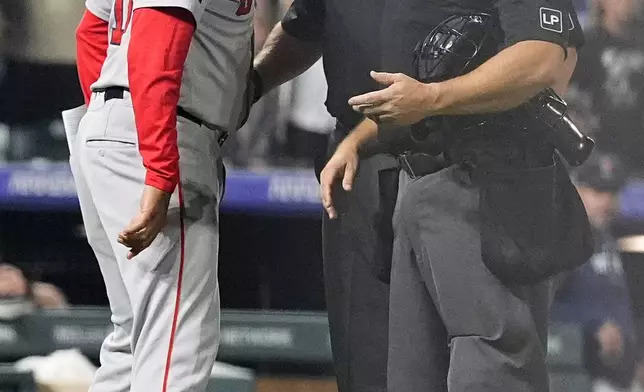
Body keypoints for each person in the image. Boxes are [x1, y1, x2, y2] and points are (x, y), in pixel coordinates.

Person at [320, 1, 593, 391]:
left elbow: (543, 61)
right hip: (416, 184)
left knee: (490, 371)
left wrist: (430, 100)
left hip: (486, 184)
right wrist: (359, 140)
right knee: (409, 376)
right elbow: (427, 74)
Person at [67, 1, 253, 391]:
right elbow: (158, 33)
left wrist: (107, 130)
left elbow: (93, 32)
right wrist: (159, 167)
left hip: (117, 127)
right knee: (176, 348)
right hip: (159, 133)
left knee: (134, 338)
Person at [252, 0, 413, 390]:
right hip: (360, 157)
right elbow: (305, 26)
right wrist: (248, 89)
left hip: (452, 148)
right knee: (364, 350)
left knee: (448, 345)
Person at [552, 152, 636, 392]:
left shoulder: (606, 238)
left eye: (613, 193)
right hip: (572, 374)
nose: (607, 202)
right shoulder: (562, 240)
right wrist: (592, 325)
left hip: (614, 377)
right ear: (577, 188)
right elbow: (540, 308)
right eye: (598, 192)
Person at [569, 0, 644, 174]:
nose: (626, 4)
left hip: (639, 146)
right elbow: (566, 93)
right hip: (600, 148)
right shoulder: (586, 44)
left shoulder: (641, 40)